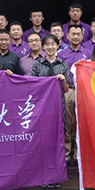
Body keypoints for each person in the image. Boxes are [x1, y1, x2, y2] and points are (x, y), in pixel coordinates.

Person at [31, 34, 71, 169]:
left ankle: (58, 167)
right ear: (43, 47)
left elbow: (66, 89)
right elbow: (33, 86)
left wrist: (63, 80)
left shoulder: (63, 64)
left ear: (58, 45)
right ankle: (44, 167)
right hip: (42, 106)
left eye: (53, 44)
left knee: (59, 135)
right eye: (47, 44)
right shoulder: (37, 64)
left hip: (59, 106)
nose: (50, 47)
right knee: (43, 136)